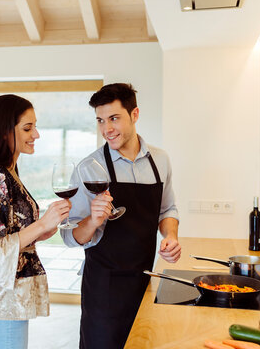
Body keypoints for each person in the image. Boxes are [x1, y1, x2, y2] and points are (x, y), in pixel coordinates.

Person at [61, 83, 181, 348]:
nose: (107, 129)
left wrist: (170, 236)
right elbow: (69, 236)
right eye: (101, 120)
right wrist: (93, 220)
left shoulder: (160, 160)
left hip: (145, 279)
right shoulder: (88, 168)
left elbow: (167, 209)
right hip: (104, 288)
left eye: (114, 118)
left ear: (134, 114)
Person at [0, 94, 71, 349]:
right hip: (1, 301)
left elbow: (11, 232)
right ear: (4, 132)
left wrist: (41, 231)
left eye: (35, 126)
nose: (36, 134)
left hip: (9, 300)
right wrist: (41, 224)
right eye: (27, 128)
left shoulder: (9, 172)